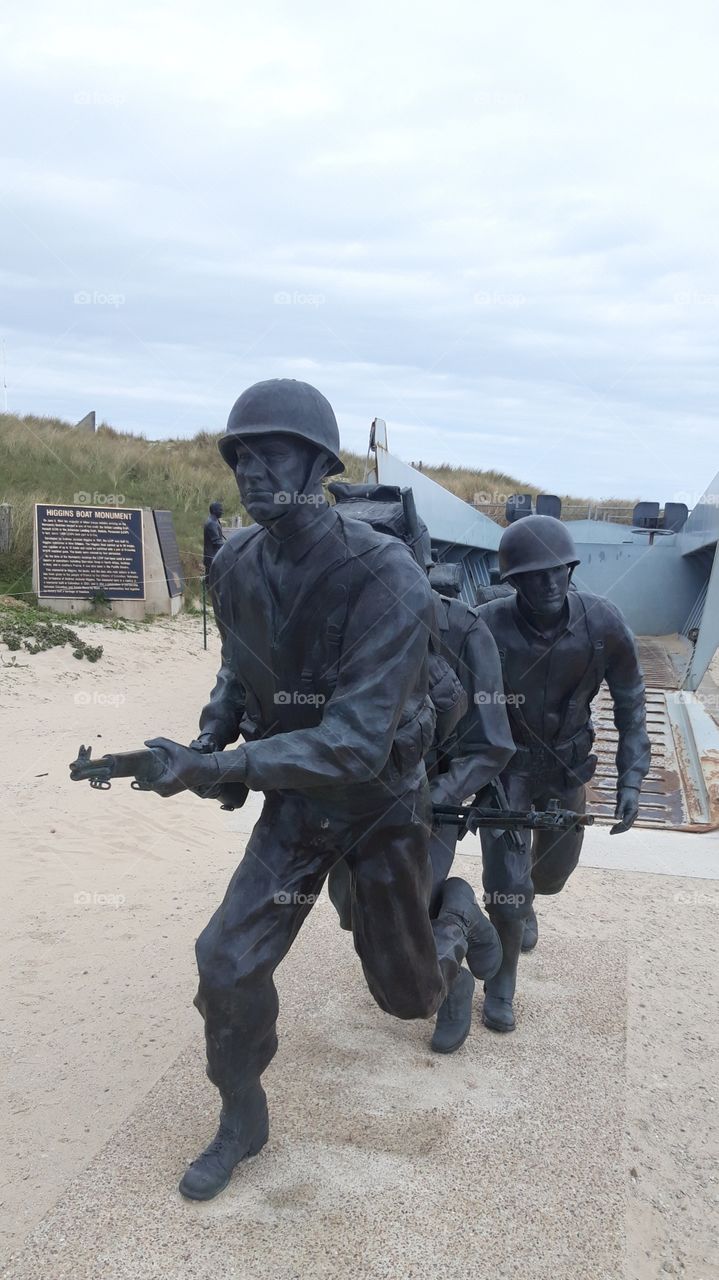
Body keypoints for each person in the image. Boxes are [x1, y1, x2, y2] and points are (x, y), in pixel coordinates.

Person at [142, 379, 496, 1200]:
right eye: (240, 458)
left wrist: (223, 769)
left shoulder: (385, 574)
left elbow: (355, 741)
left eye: (271, 456)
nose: (251, 472)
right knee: (224, 962)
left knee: (404, 995)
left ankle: (454, 928)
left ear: (317, 468)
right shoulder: (235, 562)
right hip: (297, 805)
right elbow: (238, 666)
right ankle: (242, 1116)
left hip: (378, 804)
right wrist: (210, 736)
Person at [325, 483, 515, 1054]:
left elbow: (492, 743)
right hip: (356, 799)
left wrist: (436, 794)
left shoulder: (464, 629)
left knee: (406, 904)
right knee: (353, 912)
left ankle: (451, 979)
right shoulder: (329, 630)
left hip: (433, 798)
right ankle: (463, 912)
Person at [476, 515, 651, 1033]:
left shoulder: (603, 622)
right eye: (535, 575)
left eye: (558, 571)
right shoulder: (484, 625)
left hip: (567, 767)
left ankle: (528, 899)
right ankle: (501, 982)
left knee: (551, 876)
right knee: (505, 884)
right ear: (515, 581)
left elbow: (632, 703)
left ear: (571, 570)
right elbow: (444, 695)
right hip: (506, 769)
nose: (550, 583)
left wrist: (631, 778)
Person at [203, 501, 225, 576]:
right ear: (214, 510)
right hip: (212, 558)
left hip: (215, 557)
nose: (222, 512)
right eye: (220, 510)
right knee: (212, 579)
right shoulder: (211, 523)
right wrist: (229, 548)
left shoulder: (215, 521)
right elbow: (217, 542)